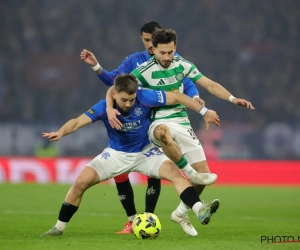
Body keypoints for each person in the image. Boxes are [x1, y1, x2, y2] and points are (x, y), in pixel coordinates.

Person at [106, 29, 255, 236]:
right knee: (163, 133)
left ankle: (181, 212)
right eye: (162, 53)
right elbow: (117, 87)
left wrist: (232, 99)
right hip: (157, 121)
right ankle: (189, 173)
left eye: (170, 52)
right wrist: (109, 107)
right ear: (154, 50)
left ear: (175, 48)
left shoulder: (183, 65)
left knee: (203, 176)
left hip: (183, 122)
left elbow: (209, 84)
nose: (166, 57)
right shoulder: (144, 70)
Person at [40, 74, 220, 236]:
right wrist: (61, 132)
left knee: (177, 175)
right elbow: (78, 122)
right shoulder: (104, 107)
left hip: (147, 152)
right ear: (114, 95)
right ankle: (58, 228)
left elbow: (176, 97)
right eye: (124, 99)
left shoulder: (145, 97)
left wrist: (202, 110)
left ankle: (199, 209)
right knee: (80, 182)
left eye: (131, 100)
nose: (127, 104)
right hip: (117, 153)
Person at [80, 21, 207, 234]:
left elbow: (185, 81)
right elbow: (113, 82)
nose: (150, 45)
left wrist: (195, 96)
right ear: (143, 39)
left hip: (159, 119)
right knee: (121, 171)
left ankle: (149, 216)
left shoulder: (171, 58)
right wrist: (97, 68)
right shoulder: (135, 61)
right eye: (147, 40)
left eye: (153, 41)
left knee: (155, 174)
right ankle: (132, 220)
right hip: (137, 120)